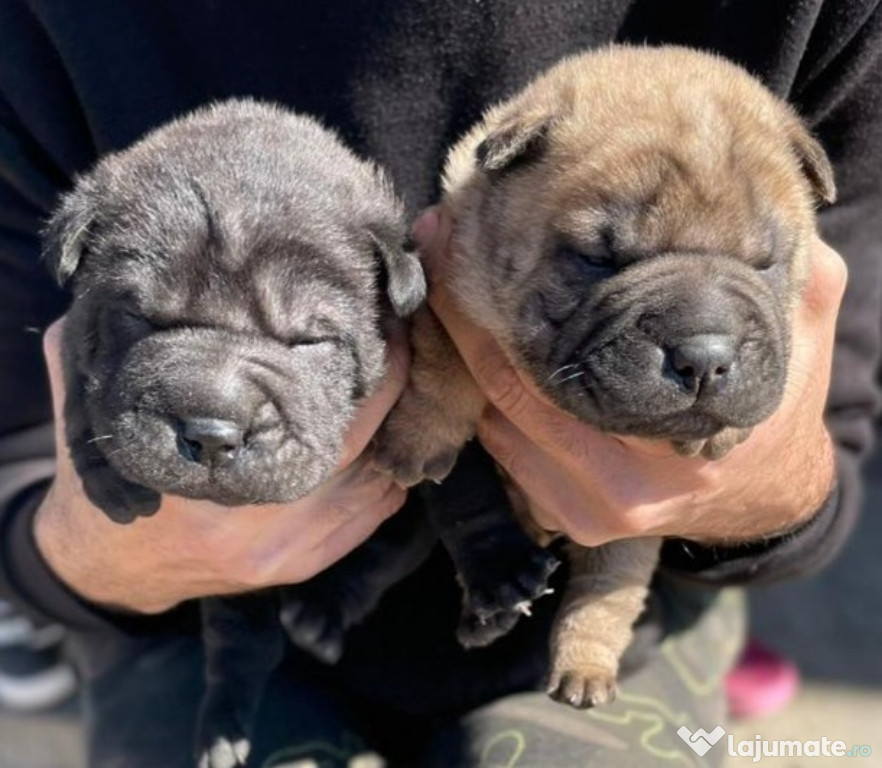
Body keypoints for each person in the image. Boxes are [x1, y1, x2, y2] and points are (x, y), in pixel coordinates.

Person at [0, 1, 878, 766]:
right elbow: (17, 452)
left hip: (624, 607)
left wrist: (755, 491)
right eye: (596, 255)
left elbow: (834, 443)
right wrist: (97, 558)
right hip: (182, 612)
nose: (703, 338)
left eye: (758, 263)